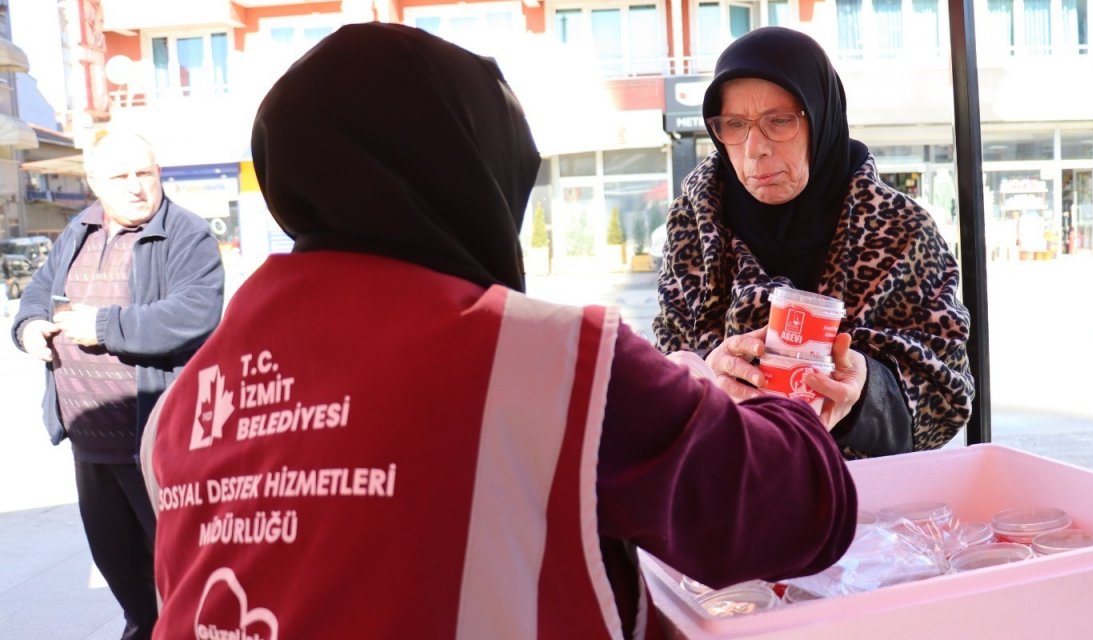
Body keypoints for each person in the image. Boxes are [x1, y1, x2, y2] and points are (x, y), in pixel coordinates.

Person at [137, 23, 858, 639]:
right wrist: (785, 406)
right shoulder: (533, 360)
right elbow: (796, 513)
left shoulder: (185, 403)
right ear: (467, 174)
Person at [653, 27, 973, 459]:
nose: (755, 149)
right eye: (734, 125)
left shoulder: (901, 229)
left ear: (821, 117)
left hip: (861, 501)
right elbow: (664, 367)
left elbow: (949, 396)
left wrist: (865, 393)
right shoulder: (694, 224)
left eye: (779, 121)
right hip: (729, 494)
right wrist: (705, 378)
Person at [9, 129, 225, 640]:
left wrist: (104, 326)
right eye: (120, 177)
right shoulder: (78, 231)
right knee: (124, 577)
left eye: (144, 173)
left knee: (180, 583)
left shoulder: (185, 234)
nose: (135, 187)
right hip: (90, 446)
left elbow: (196, 313)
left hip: (153, 446)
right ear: (93, 184)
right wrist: (30, 327)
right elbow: (38, 294)